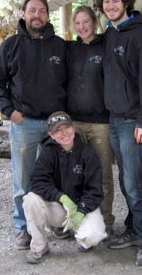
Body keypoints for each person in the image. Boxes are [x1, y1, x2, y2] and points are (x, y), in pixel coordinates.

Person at [0, 0, 68, 250]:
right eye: (32, 10)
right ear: (23, 15)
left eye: (42, 11)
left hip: (54, 125)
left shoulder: (60, 46)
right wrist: (9, 111)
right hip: (24, 124)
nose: (37, 15)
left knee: (56, 176)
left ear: (47, 15)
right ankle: (23, 228)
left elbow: (71, 82)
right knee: (23, 180)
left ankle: (55, 221)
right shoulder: (11, 46)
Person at [93, 0, 142, 266]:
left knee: (133, 182)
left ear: (126, 2)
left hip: (133, 121)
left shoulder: (141, 38)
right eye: (106, 2)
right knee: (126, 179)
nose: (110, 6)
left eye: (115, 0)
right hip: (114, 119)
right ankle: (133, 230)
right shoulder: (110, 36)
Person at [23, 111, 105, 264]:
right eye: (57, 130)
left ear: (73, 128)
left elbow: (95, 190)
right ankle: (39, 246)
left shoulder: (88, 153)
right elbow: (37, 182)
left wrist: (81, 210)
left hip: (81, 208)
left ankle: (81, 238)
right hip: (59, 207)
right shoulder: (48, 153)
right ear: (51, 135)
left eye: (66, 127)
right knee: (30, 200)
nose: (64, 133)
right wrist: (61, 197)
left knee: (95, 235)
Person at [66, 5, 115, 236]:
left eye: (86, 22)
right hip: (74, 123)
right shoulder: (70, 49)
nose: (82, 27)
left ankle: (106, 221)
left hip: (100, 124)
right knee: (76, 175)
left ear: (94, 22)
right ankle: (79, 222)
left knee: (103, 174)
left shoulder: (106, 45)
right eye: (77, 23)